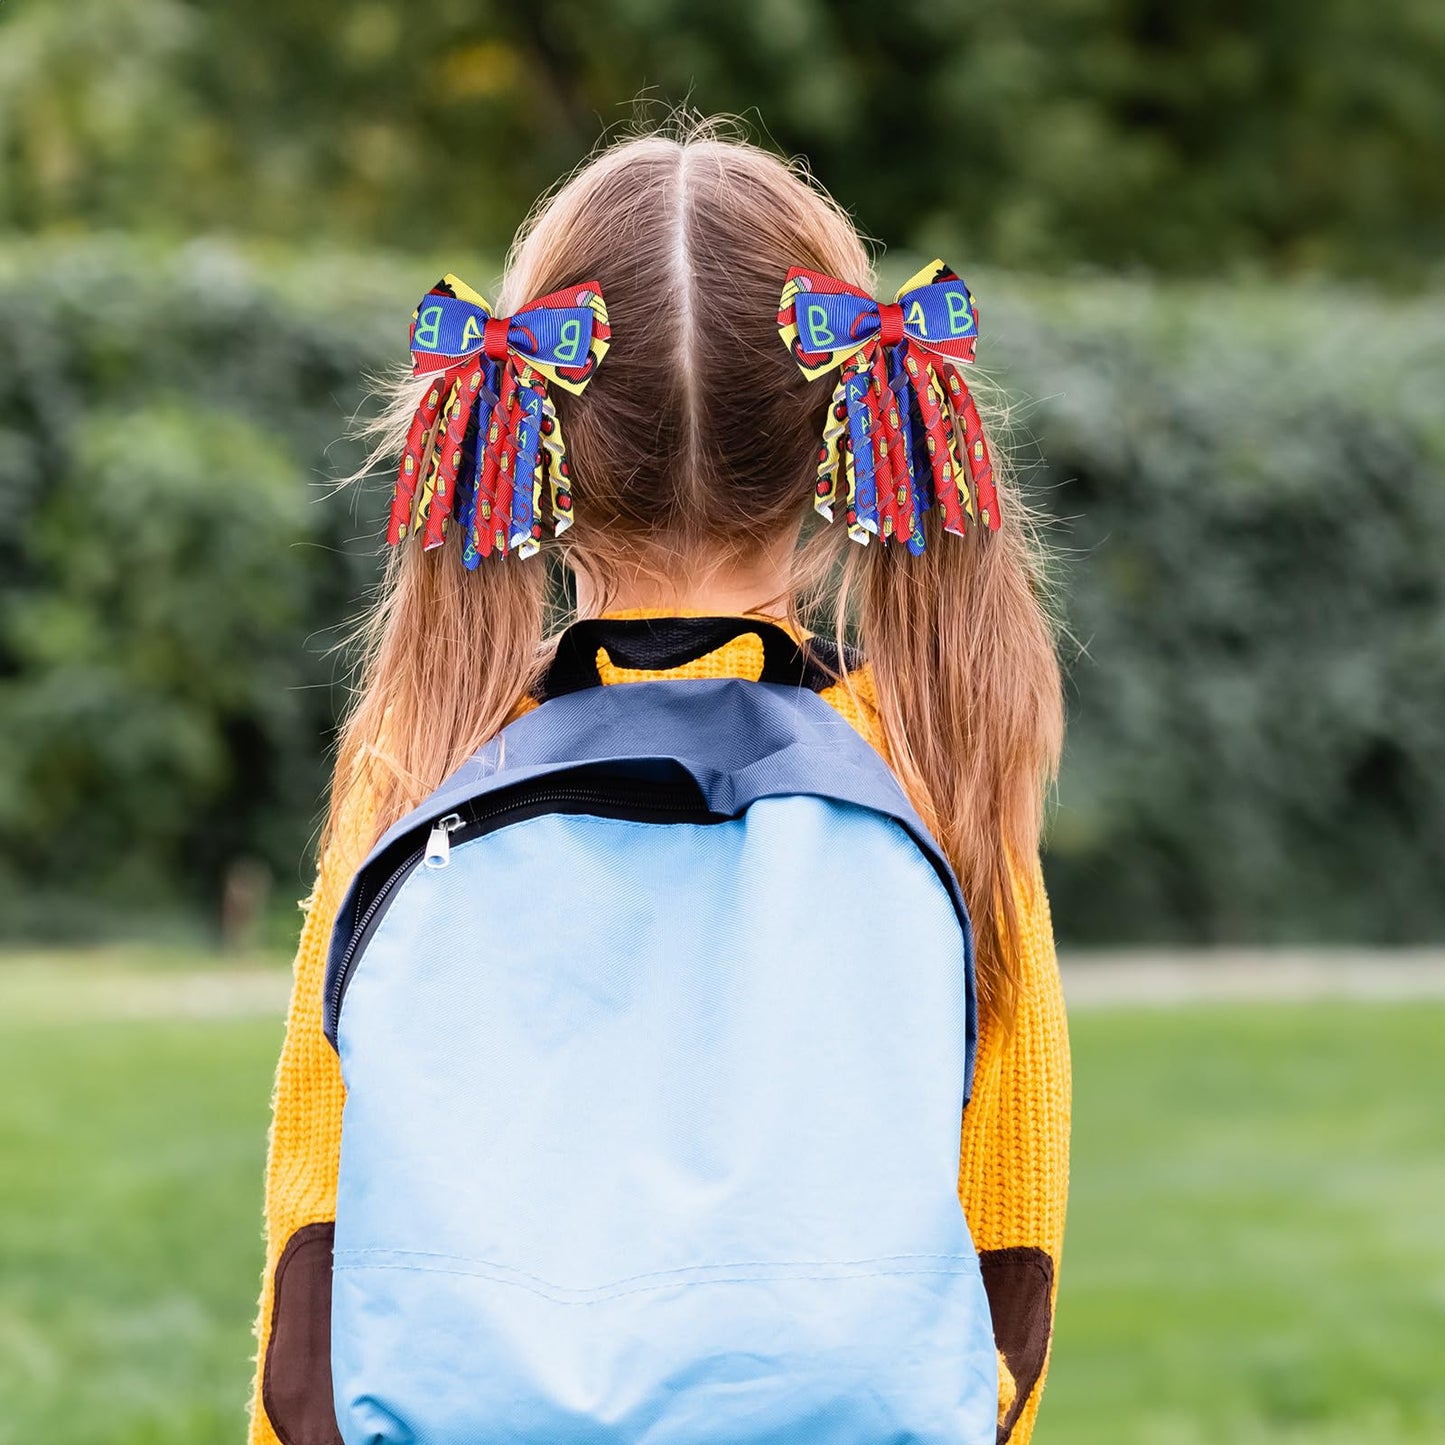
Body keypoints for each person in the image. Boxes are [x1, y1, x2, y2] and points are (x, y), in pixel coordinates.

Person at [247, 123, 1069, 1445]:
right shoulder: (932, 765)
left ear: (524, 447)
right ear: (840, 442)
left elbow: (317, 1252)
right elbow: (1002, 1259)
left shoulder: (426, 756)